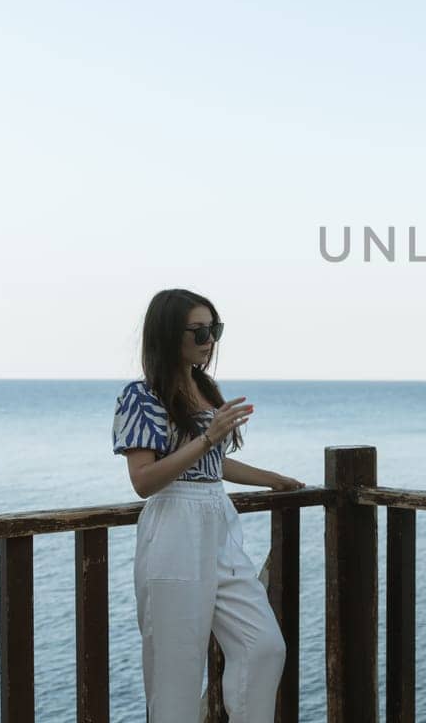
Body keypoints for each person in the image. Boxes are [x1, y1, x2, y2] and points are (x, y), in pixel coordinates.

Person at [112, 288, 305, 722]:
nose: (208, 340)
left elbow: (211, 463)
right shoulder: (141, 396)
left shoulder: (201, 387)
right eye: (198, 331)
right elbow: (144, 480)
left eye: (213, 330)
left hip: (216, 519)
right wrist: (209, 437)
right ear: (167, 333)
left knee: (264, 646)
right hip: (173, 526)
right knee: (175, 676)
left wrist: (270, 479)